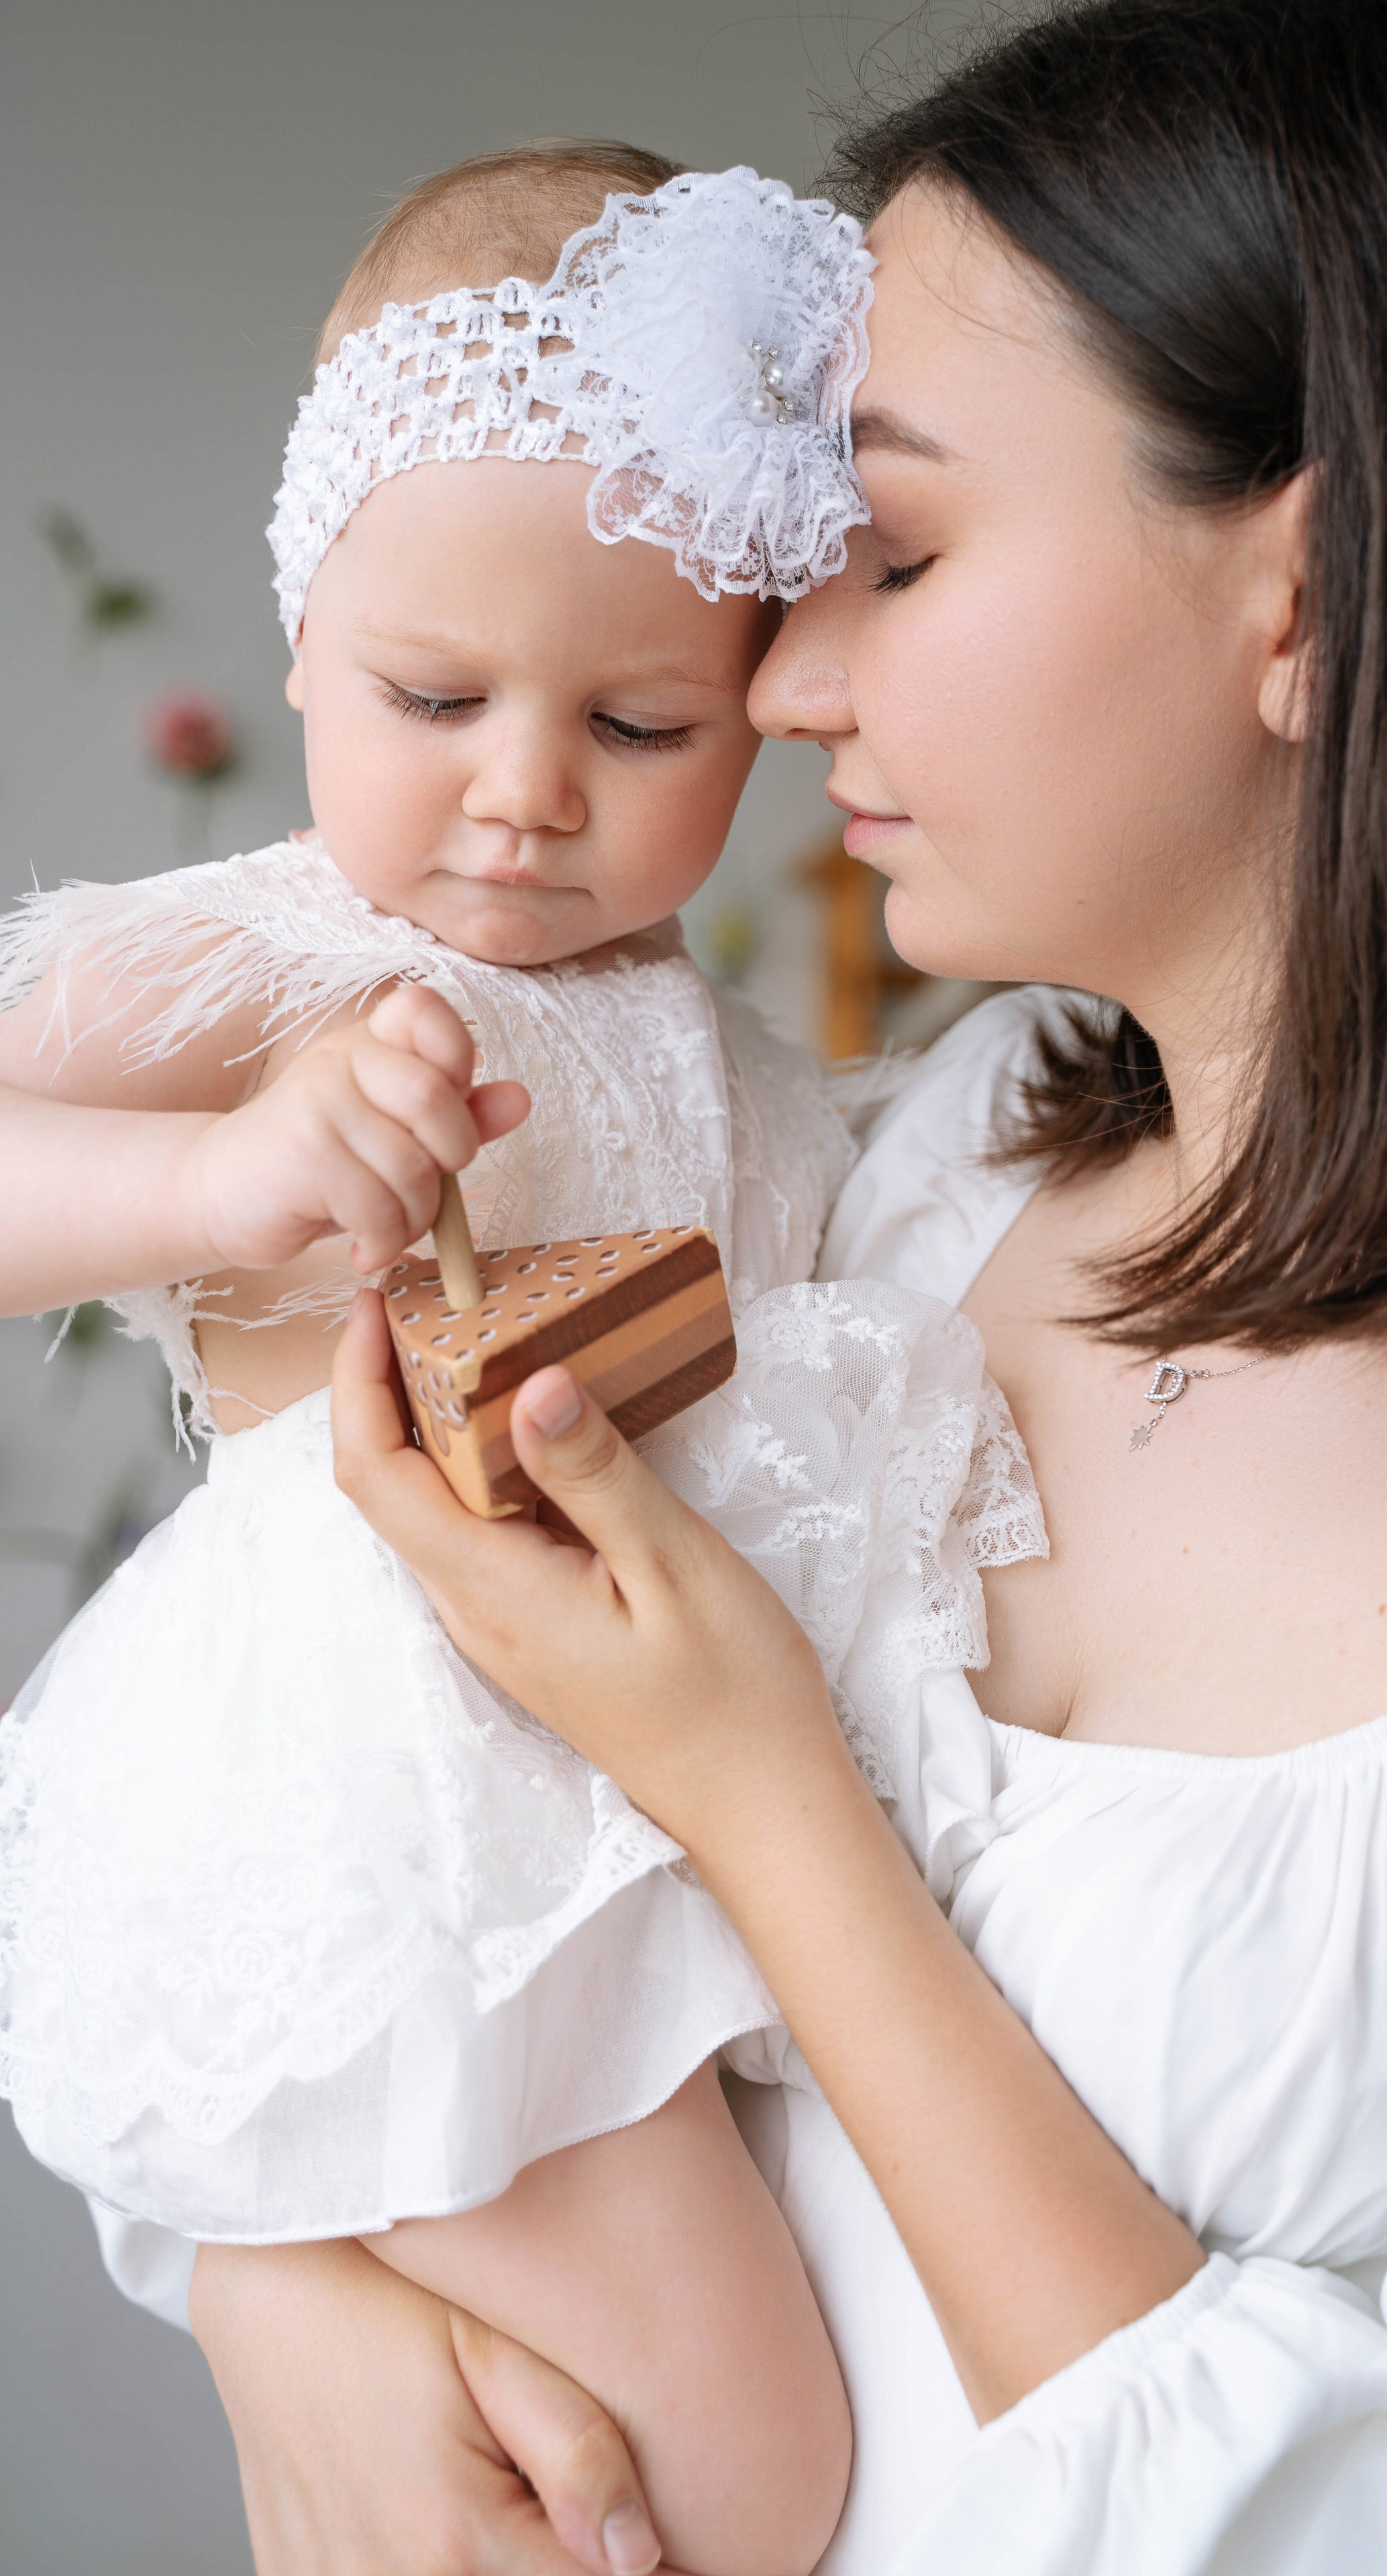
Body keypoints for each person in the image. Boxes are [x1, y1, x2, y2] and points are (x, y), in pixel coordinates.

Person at [115, 1, 1387, 2568]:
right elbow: (356, 1828)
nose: (781, 677)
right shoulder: (919, 1179)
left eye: (893, 551)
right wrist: (264, 2276)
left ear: (1309, 597)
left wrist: (778, 1797)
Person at [0, 139, 1051, 2576]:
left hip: (638, 1795)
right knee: (740, 2468)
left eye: (642, 724)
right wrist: (206, 1183)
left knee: (674, 2456)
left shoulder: (717, 1037)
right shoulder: (271, 961)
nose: (521, 791)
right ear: (299, 645)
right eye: (432, 695)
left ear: (767, 708)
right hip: (390, 1791)